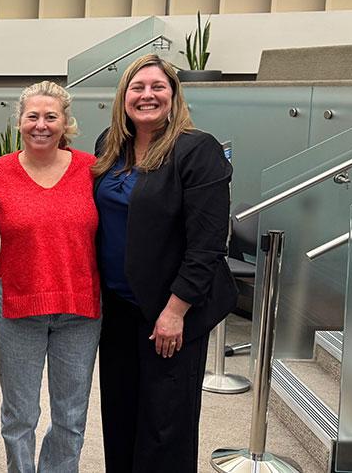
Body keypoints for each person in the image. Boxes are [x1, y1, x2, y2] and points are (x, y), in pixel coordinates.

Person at [93, 54, 237, 473]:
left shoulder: (197, 150)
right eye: (138, 88)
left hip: (170, 311)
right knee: (120, 415)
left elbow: (208, 244)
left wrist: (175, 311)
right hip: (118, 308)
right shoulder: (110, 144)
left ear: (174, 97)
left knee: (165, 425)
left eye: (158, 87)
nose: (147, 95)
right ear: (124, 97)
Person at [0, 81, 102, 473]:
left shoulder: (91, 170)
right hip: (17, 307)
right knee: (19, 415)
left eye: (51, 116)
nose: (41, 124)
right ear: (20, 121)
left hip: (80, 310)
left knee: (70, 416)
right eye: (33, 116)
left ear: (66, 123)